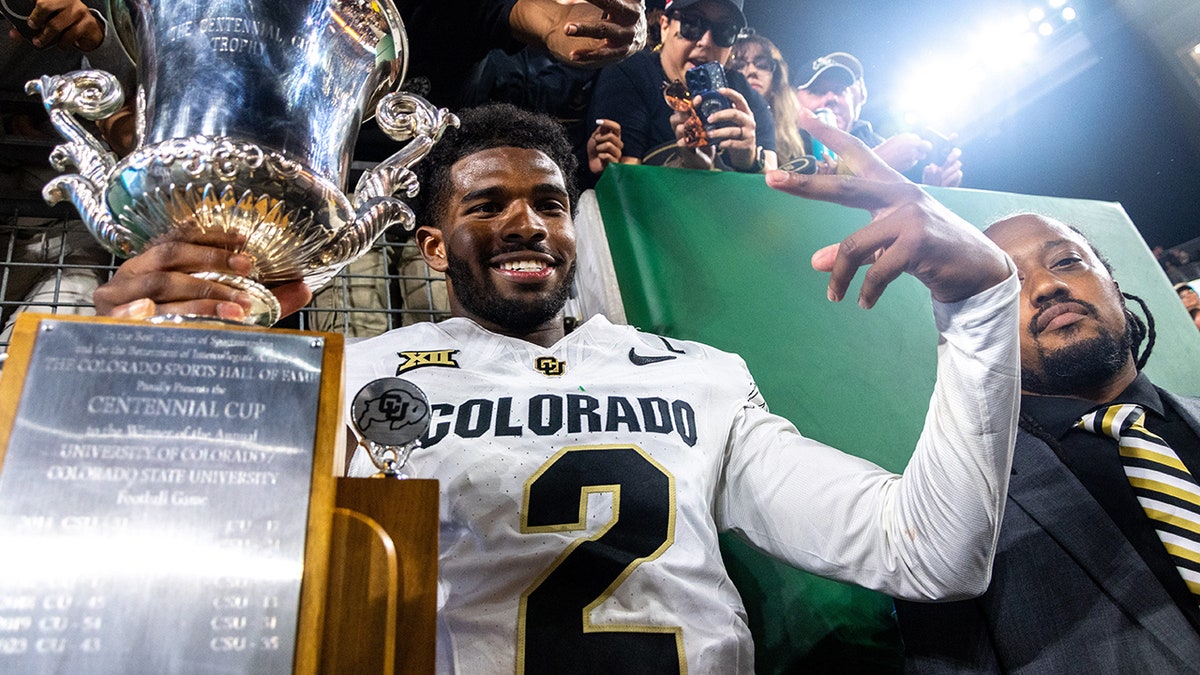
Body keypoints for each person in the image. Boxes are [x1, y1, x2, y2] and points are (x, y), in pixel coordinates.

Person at [95, 102, 1018, 672]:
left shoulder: (699, 375)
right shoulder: (360, 371)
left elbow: (928, 553)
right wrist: (154, 372)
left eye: (547, 202)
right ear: (430, 247)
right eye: (486, 205)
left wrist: (980, 306)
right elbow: (180, 580)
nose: (525, 223)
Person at [896, 213, 1200, 672]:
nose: (1045, 286)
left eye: (1067, 261)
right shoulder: (952, 515)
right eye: (1008, 283)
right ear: (980, 330)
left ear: (1115, 288)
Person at [587, 0, 777, 173]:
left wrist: (750, 160)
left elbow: (772, 176)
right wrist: (694, 168)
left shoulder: (743, 94)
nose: (706, 41)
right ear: (665, 26)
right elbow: (626, 180)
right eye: (692, 23)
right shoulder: (632, 73)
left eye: (725, 30)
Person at [795, 51, 963, 187]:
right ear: (793, 100)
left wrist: (936, 191)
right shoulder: (783, 142)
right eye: (817, 91)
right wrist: (876, 162)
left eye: (839, 90)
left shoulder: (883, 145)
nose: (831, 97)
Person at [729, 30, 806, 169]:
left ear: (776, 77)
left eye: (762, 65)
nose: (752, 71)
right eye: (739, 65)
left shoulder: (799, 132)